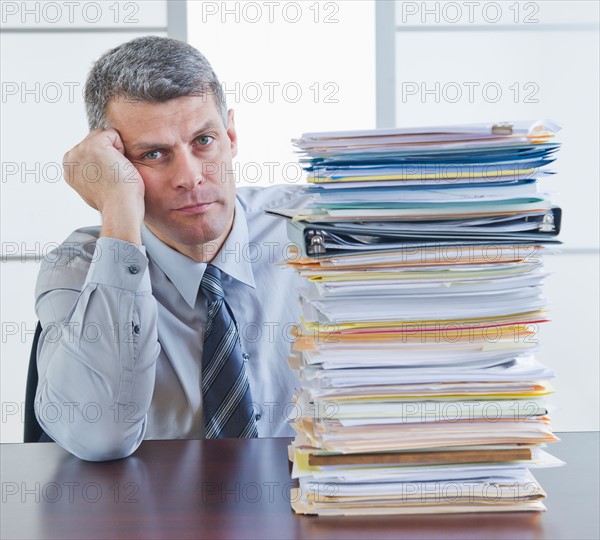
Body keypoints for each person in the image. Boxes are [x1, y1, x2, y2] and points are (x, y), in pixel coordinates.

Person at [34, 36, 308, 461]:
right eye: (155, 154)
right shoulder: (77, 270)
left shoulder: (320, 232)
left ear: (231, 134)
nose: (190, 176)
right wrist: (119, 212)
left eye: (203, 141)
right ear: (116, 163)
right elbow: (99, 437)